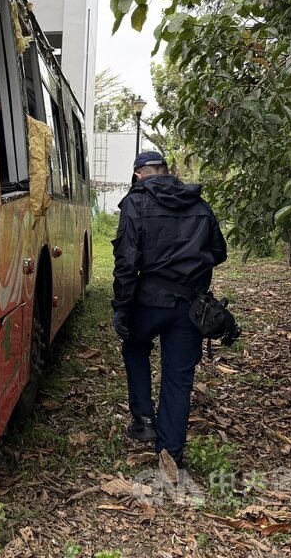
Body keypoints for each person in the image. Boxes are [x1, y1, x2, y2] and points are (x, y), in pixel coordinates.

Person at [111, 151, 227, 469]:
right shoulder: (199, 204)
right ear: (166, 170)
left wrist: (121, 308)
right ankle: (170, 454)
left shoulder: (135, 203)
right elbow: (219, 252)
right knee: (179, 378)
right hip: (189, 307)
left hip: (148, 302)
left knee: (134, 347)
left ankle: (144, 417)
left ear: (138, 175)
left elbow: (125, 263)